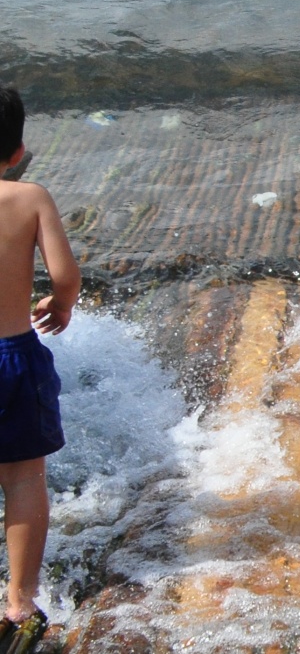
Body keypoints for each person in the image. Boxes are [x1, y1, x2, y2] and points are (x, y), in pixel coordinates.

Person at [0, 88, 80, 626]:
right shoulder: (29, 197)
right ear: (17, 150)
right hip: (11, 356)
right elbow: (64, 276)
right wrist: (62, 304)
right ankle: (18, 599)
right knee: (24, 477)